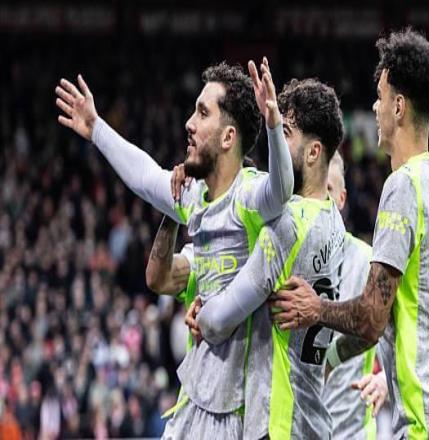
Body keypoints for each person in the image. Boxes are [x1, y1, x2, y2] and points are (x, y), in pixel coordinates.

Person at [56, 59, 294, 439]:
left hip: (242, 410)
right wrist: (97, 128)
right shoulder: (195, 196)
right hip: (196, 397)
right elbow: (145, 177)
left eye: (203, 113)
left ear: (228, 137)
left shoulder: (249, 195)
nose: (189, 123)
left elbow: (281, 190)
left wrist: (274, 125)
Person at [270, 29, 429, 439]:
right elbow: (387, 321)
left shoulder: (402, 186)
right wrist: (331, 358)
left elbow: (369, 318)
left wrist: (315, 308)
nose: (375, 106)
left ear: (398, 107)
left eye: (380, 97)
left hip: (426, 425)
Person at [190, 78, 345, 439]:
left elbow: (219, 319)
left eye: (286, 133)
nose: (274, 145)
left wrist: (203, 312)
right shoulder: (334, 221)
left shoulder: (287, 225)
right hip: (314, 418)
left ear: (313, 153)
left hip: (277, 421)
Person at [322, 151, 381, 439]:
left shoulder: (368, 262)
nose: (321, 198)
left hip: (353, 431)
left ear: (342, 198)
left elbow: (405, 334)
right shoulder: (286, 258)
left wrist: (385, 379)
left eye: (328, 189)